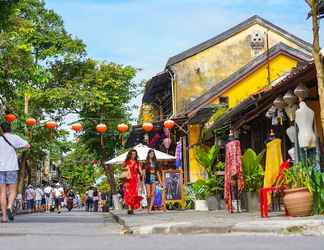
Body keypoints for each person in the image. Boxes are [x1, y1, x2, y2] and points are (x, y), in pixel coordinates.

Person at [0, 122, 30, 222]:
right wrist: (18, 147)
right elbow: (27, 145)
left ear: (1, 129)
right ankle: (9, 206)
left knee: (2, 193)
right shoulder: (15, 138)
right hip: (12, 167)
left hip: (0, 168)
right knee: (13, 191)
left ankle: (4, 217)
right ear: (10, 128)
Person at [122, 149, 143, 215]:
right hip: (128, 179)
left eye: (135, 154)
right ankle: (129, 208)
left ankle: (132, 208)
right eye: (132, 154)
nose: (133, 155)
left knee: (134, 195)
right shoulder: (126, 162)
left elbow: (140, 171)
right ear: (130, 154)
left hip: (135, 180)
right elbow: (122, 170)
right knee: (128, 193)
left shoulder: (137, 162)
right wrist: (126, 169)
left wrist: (141, 173)